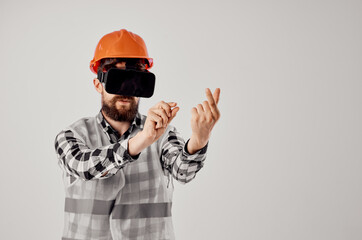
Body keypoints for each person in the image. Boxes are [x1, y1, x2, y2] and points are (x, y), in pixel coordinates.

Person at [54, 29, 220, 240]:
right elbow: (83, 167)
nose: (125, 90)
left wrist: (199, 141)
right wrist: (142, 140)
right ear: (98, 84)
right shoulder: (71, 136)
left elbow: (183, 172)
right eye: (117, 79)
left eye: (132, 79)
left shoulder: (163, 133)